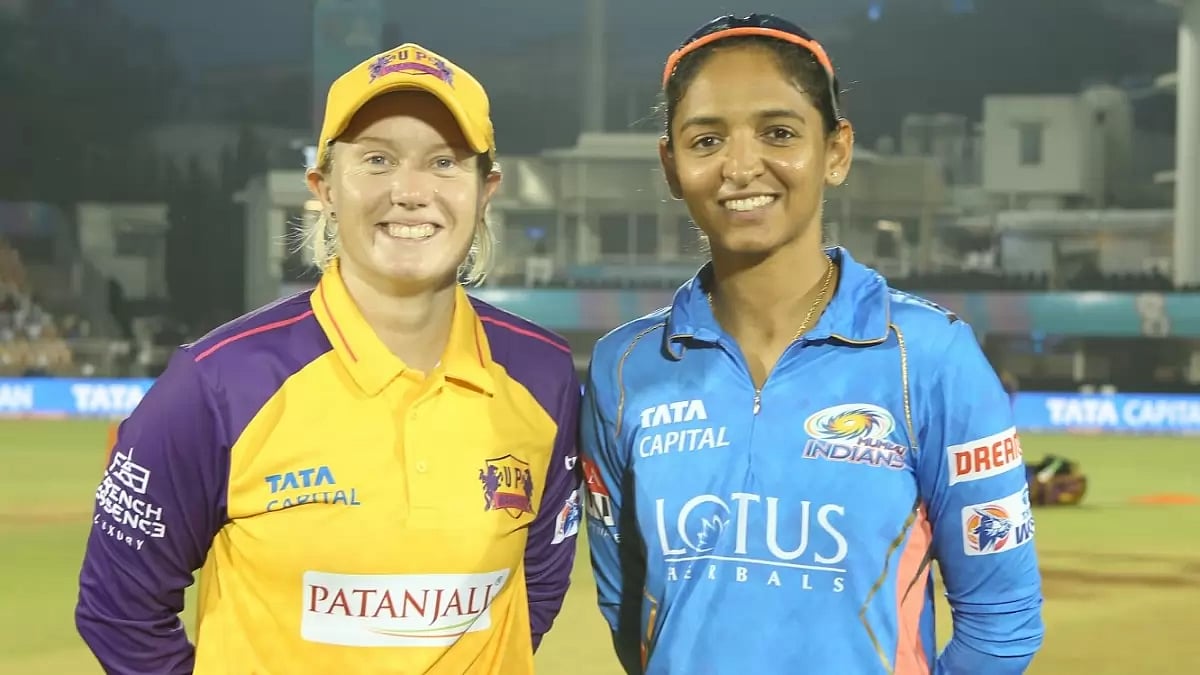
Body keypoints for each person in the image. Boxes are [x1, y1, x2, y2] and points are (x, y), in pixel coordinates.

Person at [75, 42, 582, 674]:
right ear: (324, 189)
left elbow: (537, 583)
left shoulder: (544, 373)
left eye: (443, 162)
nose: (409, 191)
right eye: (376, 159)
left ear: (486, 191)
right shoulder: (217, 382)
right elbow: (119, 610)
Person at [580, 14, 1044, 675]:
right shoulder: (623, 369)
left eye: (779, 133)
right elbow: (629, 607)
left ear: (836, 150)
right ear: (671, 166)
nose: (741, 166)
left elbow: (1003, 628)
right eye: (706, 139)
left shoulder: (931, 358)